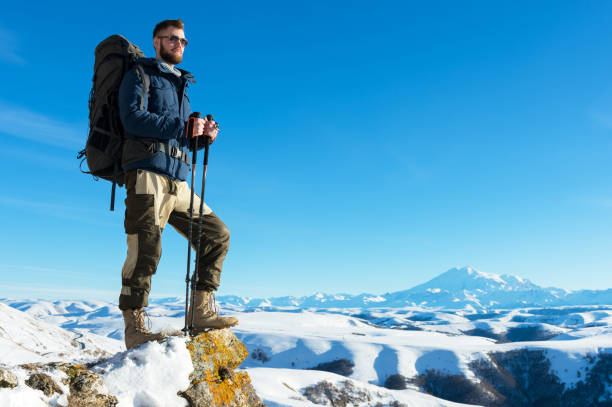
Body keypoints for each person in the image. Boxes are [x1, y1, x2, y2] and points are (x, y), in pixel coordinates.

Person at [117, 19, 238, 350]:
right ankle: (135, 327)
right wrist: (182, 125)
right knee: (146, 247)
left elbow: (177, 136)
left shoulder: (181, 85)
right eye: (173, 39)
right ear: (157, 42)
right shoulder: (140, 75)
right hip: (147, 175)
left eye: (184, 41)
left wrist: (200, 137)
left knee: (217, 234)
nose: (180, 45)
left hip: (178, 179)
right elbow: (132, 119)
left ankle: (200, 311)